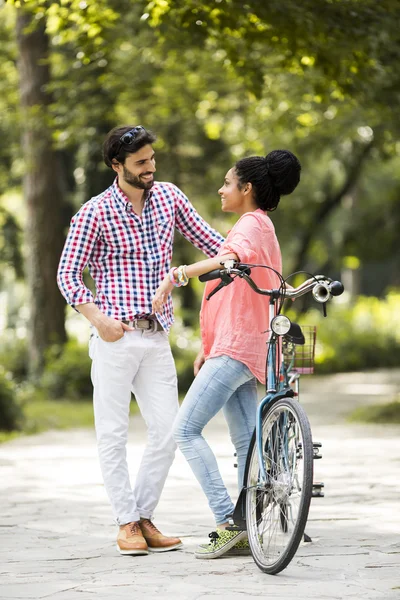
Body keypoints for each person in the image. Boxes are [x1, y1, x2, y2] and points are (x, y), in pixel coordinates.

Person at [57, 125, 224, 556]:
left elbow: (214, 244)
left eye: (152, 159)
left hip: (157, 337)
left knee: (170, 431)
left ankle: (143, 517)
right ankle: (125, 522)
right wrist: (98, 318)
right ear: (117, 166)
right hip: (115, 338)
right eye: (141, 163)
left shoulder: (169, 197)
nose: (151, 168)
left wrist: (244, 249)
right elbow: (67, 274)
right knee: (112, 434)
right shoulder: (93, 213)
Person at [152, 149, 301, 559]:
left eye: (227, 182)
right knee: (245, 442)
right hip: (244, 347)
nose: (221, 189)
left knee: (184, 430)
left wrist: (176, 275)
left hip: (237, 348)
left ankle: (228, 521)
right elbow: (237, 288)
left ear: (247, 189)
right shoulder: (263, 225)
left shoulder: (249, 225)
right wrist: (208, 348)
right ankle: (250, 523)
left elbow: (227, 260)